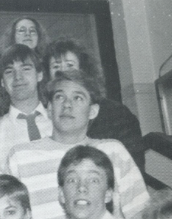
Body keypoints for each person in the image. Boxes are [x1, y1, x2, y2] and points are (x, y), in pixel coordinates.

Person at [7, 70, 149, 219]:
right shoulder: (21, 158)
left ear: (92, 111)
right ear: (49, 108)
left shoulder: (113, 151)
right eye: (59, 97)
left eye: (78, 98)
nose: (67, 105)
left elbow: (142, 217)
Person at [43, 38, 145, 173]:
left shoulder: (117, 114)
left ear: (84, 69)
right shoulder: (49, 113)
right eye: (56, 67)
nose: (64, 72)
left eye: (70, 65)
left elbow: (132, 168)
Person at [0, 44, 52, 170]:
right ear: (2, 82)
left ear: (39, 75)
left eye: (25, 69)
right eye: (9, 72)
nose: (18, 77)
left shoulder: (61, 123)